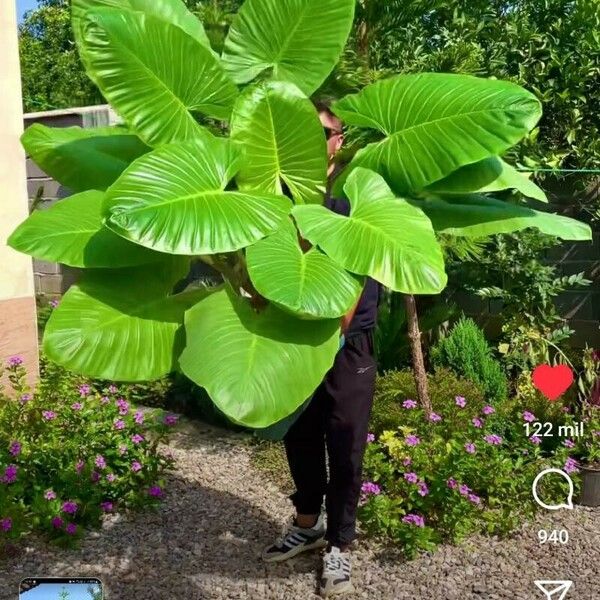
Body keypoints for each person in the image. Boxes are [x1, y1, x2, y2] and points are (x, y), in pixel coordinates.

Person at [261, 99, 381, 598]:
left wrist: (335, 327)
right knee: (301, 436)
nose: (314, 144)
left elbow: (361, 273)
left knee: (347, 441)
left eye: (324, 134)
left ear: (339, 143)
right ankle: (307, 523)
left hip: (349, 342)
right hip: (296, 335)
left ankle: (339, 545)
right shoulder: (274, 203)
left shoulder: (357, 200)